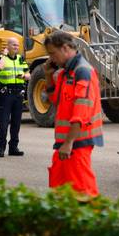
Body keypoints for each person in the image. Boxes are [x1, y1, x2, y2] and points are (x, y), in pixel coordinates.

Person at [44, 31, 101, 198]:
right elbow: (56, 100)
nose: (51, 59)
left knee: (83, 191)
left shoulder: (82, 72)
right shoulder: (65, 73)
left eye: (52, 53)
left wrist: (69, 142)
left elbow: (81, 111)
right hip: (66, 143)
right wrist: (48, 76)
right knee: (61, 190)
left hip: (77, 143)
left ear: (66, 48)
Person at [0, 37, 30, 158]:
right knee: (3, 123)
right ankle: (1, 148)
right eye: (14, 45)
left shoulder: (21, 59)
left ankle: (13, 147)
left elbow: (29, 75)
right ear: (8, 46)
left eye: (17, 45)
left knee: (16, 123)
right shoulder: (1, 58)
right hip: (6, 94)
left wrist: (24, 76)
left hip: (18, 94)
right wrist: (4, 55)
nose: (16, 47)